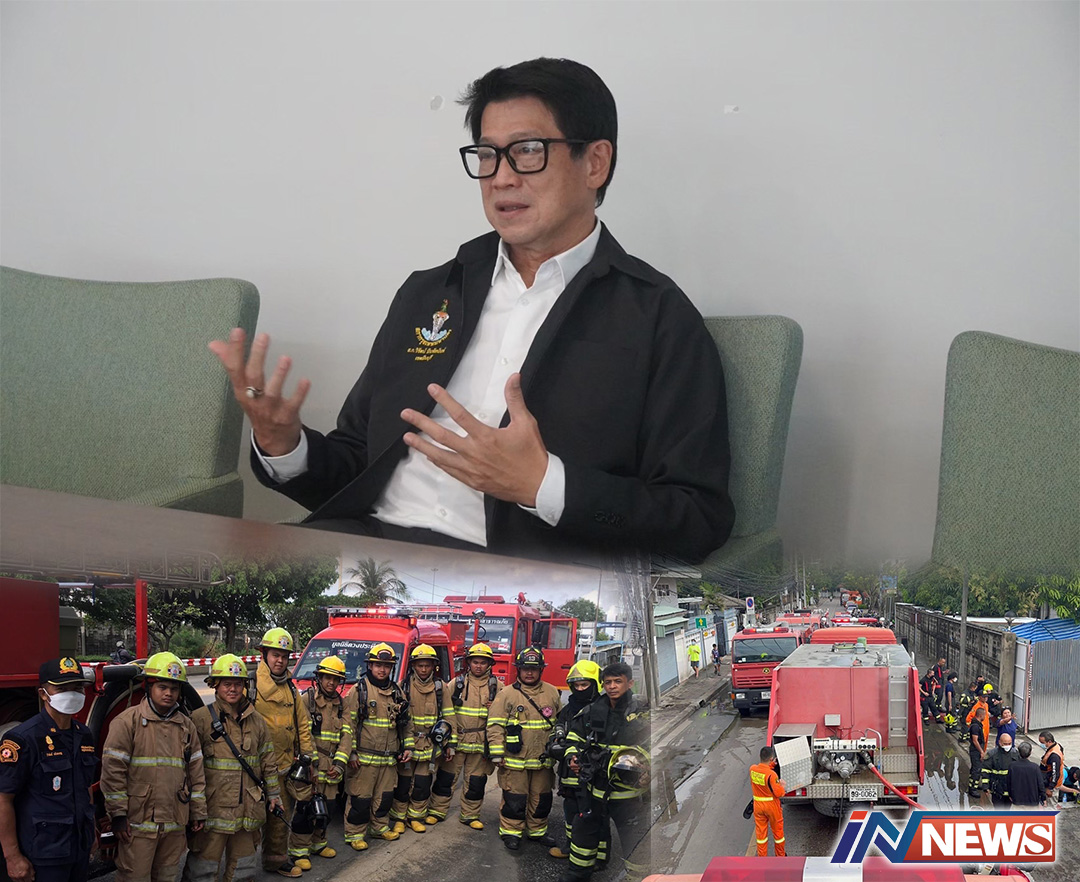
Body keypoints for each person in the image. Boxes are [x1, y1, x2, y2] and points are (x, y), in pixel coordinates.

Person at [209, 57, 735, 564]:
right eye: (487, 154)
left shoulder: (658, 318)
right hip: (368, 550)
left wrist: (543, 485)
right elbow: (357, 464)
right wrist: (285, 445)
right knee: (195, 587)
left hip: (511, 581)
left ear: (595, 162)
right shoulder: (430, 293)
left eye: (527, 151)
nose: (501, 177)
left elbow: (696, 518)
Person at [100, 652, 207, 882]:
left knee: (167, 876)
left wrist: (197, 811)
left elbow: (196, 772)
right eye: (162, 687)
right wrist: (118, 815)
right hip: (138, 826)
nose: (169, 693)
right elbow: (113, 772)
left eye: (174, 688)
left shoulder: (186, 726)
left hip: (174, 824)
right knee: (134, 877)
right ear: (148, 687)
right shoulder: (127, 722)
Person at [183, 654, 282, 882]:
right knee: (203, 868)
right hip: (213, 810)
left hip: (248, 810)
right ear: (215, 686)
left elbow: (268, 760)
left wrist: (274, 794)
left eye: (238, 684)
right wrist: (192, 808)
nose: (233, 689)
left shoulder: (257, 721)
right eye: (227, 683)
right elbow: (188, 768)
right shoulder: (200, 719)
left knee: (243, 869)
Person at [0, 658, 96, 882]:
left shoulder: (84, 735)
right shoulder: (22, 739)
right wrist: (12, 856)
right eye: (62, 689)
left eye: (77, 688)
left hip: (78, 847)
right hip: (43, 853)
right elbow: (3, 799)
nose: (72, 694)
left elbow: (86, 787)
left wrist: (91, 832)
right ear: (43, 694)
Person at [561, 662, 650, 882]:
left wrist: (648, 770)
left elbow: (656, 746)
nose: (612, 686)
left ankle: (639, 878)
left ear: (630, 683)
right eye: (608, 682)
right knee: (583, 837)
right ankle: (577, 875)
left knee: (635, 841)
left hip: (627, 794)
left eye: (618, 681)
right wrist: (573, 758)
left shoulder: (642, 713)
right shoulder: (592, 711)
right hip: (594, 790)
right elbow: (573, 739)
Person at [251, 628, 315, 877]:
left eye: (284, 656)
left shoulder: (290, 687)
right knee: (250, 822)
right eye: (275, 655)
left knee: (279, 819)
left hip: (284, 766)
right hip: (255, 770)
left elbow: (302, 725)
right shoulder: (251, 685)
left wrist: (308, 757)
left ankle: (275, 861)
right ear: (264, 655)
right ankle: (241, 869)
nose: (280, 660)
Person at [488, 648, 561, 850]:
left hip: (542, 760)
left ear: (541, 670)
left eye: (534, 669)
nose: (529, 673)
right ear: (518, 670)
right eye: (525, 669)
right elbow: (494, 725)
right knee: (515, 798)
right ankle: (511, 832)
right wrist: (497, 754)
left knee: (542, 798)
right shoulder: (506, 694)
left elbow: (560, 724)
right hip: (515, 760)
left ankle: (537, 831)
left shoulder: (552, 692)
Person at [343, 643, 412, 850]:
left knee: (384, 797)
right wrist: (351, 753)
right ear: (370, 666)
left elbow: (407, 724)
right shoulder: (359, 691)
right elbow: (348, 725)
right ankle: (355, 834)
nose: (382, 670)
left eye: (387, 666)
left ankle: (379, 828)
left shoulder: (397, 692)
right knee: (360, 798)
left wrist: (408, 747)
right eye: (378, 665)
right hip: (363, 759)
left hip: (389, 759)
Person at [428, 643, 499, 828]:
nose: (478, 666)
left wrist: (495, 708)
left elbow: (504, 716)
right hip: (457, 741)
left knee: (476, 782)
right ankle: (436, 811)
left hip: (480, 744)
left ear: (489, 664)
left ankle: (470, 815)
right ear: (469, 663)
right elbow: (444, 709)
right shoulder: (457, 684)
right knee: (446, 778)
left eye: (483, 662)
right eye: (475, 662)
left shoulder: (497, 687)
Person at [389, 644, 454, 833]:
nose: (424, 669)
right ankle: (399, 818)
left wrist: (450, 744)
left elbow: (449, 717)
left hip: (430, 746)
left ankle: (415, 817)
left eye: (427, 665)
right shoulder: (403, 686)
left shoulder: (441, 688)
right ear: (413, 666)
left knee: (422, 784)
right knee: (403, 784)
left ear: (434, 666)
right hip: (408, 744)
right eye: (420, 665)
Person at [297, 655, 352, 863]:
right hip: (312, 765)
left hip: (332, 766)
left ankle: (319, 843)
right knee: (306, 808)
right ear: (319, 678)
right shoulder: (307, 700)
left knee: (327, 807)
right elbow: (304, 734)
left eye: (336, 679)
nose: (331, 682)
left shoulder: (342, 705)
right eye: (327, 677)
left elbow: (347, 735)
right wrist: (312, 763)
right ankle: (299, 850)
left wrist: (339, 764)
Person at [548, 659, 601, 862]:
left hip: (593, 775)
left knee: (592, 815)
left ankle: (595, 856)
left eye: (584, 685)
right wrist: (556, 741)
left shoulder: (602, 709)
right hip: (568, 774)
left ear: (595, 684)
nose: (579, 689)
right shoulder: (568, 709)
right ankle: (571, 847)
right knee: (570, 812)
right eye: (576, 685)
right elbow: (558, 727)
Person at [749, 745, 787, 857]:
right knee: (778, 834)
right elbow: (779, 793)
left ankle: (762, 859)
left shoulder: (752, 769)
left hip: (758, 806)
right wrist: (782, 785)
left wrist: (771, 765)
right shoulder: (772, 775)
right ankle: (780, 857)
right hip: (771, 806)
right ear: (771, 759)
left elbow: (762, 773)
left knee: (761, 835)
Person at [980, 732, 1018, 807]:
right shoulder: (992, 755)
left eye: (1009, 743)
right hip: (997, 790)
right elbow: (985, 771)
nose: (1007, 746)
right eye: (1005, 743)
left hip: (1010, 791)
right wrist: (985, 786)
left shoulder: (1016, 754)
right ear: (1000, 742)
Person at [1007, 741, 1045, 808]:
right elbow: (1040, 784)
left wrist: (1010, 795)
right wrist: (1043, 798)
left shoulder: (1012, 766)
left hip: (1017, 801)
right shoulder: (1035, 767)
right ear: (1030, 753)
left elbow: (1008, 783)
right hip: (1032, 802)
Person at [1038, 731, 1065, 806]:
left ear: (1049, 741)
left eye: (1042, 742)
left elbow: (1055, 773)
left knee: (1050, 806)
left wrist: (1050, 788)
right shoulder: (1056, 746)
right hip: (1048, 780)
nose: (1041, 744)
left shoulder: (1054, 756)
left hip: (1052, 785)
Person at [967, 707, 988, 796]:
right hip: (975, 751)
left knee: (975, 769)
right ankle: (973, 789)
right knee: (976, 769)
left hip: (976, 750)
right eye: (984, 715)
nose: (985, 717)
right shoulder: (975, 726)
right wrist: (981, 752)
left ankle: (973, 785)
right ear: (980, 715)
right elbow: (975, 740)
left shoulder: (977, 724)